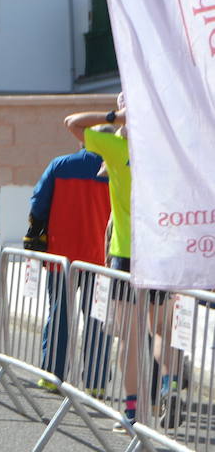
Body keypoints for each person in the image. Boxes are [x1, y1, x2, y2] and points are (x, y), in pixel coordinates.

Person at [65, 94, 176, 430]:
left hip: (127, 252)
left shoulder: (116, 149)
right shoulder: (169, 149)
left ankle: (132, 410)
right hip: (164, 250)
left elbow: (73, 122)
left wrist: (116, 116)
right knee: (162, 329)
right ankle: (167, 391)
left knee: (130, 334)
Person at [25, 118, 111, 391]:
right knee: (97, 319)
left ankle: (51, 375)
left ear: (83, 141)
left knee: (59, 314)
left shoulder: (60, 165)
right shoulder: (118, 171)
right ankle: (96, 384)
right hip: (101, 258)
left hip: (60, 255)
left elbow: (38, 205)